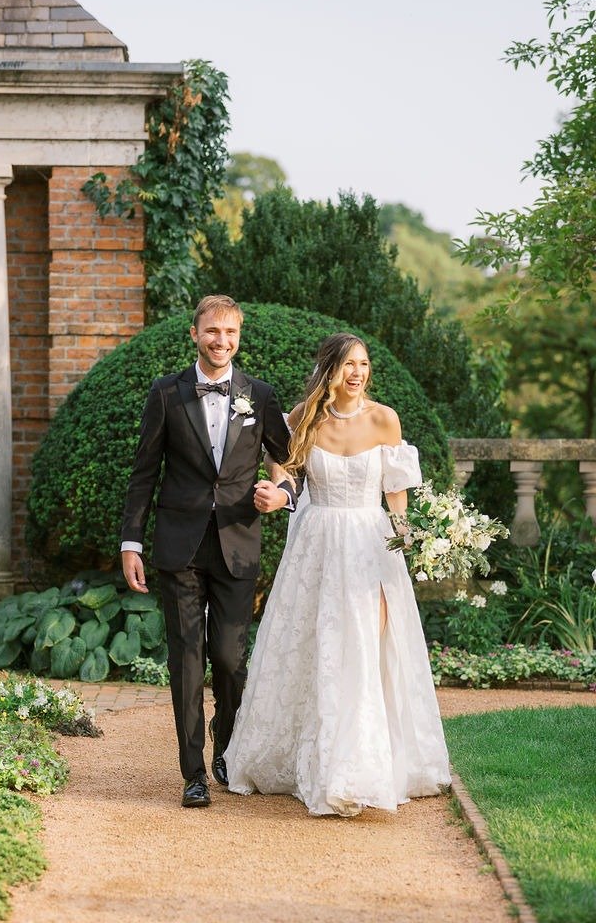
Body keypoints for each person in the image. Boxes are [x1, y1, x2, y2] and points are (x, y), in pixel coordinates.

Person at [224, 332, 451, 817]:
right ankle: (315, 760)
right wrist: (278, 492)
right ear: (330, 368)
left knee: (367, 646)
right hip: (316, 545)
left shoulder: (385, 419)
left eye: (364, 364)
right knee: (316, 646)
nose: (358, 373)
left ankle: (359, 765)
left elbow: (396, 495)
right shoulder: (303, 418)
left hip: (372, 548)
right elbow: (284, 470)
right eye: (349, 364)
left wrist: (412, 543)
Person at [120, 295, 295, 809]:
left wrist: (281, 495)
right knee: (188, 660)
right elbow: (143, 474)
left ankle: (228, 743)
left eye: (231, 333)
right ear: (194, 334)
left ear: (240, 336)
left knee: (229, 657)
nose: (222, 341)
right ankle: (194, 773)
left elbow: (293, 464)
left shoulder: (260, 396)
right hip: (180, 546)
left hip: (239, 544)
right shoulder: (166, 394)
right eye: (212, 331)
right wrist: (131, 541)